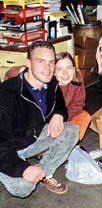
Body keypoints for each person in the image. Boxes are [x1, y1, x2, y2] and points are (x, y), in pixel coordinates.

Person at [0, 41, 79, 198]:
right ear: (28, 63)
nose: (47, 68)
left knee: (71, 130)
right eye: (41, 61)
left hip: (31, 139)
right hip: (6, 148)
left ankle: (44, 174)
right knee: (23, 189)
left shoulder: (52, 84)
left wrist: (59, 115)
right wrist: (22, 169)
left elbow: (61, 106)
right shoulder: (7, 93)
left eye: (51, 62)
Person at [54, 52, 91, 140]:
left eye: (69, 68)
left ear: (74, 69)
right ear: (53, 72)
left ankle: (70, 142)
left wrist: (63, 117)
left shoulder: (77, 79)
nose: (65, 73)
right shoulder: (48, 86)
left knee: (84, 116)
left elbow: (78, 104)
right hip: (49, 120)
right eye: (59, 69)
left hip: (66, 116)